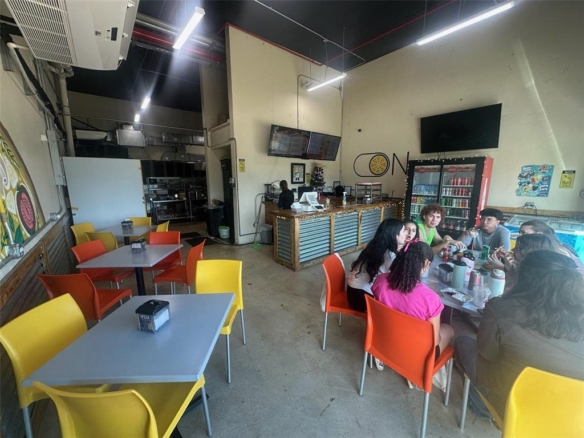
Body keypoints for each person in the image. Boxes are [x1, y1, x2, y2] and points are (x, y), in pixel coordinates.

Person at [454, 250, 584, 419]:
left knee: (462, 340)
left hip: (511, 404)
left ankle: (482, 404)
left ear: (526, 278)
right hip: (570, 415)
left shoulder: (503, 308)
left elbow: (487, 353)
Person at [372, 240, 454, 358]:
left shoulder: (380, 280)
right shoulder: (431, 299)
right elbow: (435, 341)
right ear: (426, 264)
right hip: (417, 356)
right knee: (449, 329)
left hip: (384, 340)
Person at [347, 219, 406, 313]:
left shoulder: (374, 246)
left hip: (352, 293)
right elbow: (398, 279)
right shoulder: (389, 255)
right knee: (401, 299)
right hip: (363, 300)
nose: (406, 234)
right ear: (394, 234)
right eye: (403, 231)